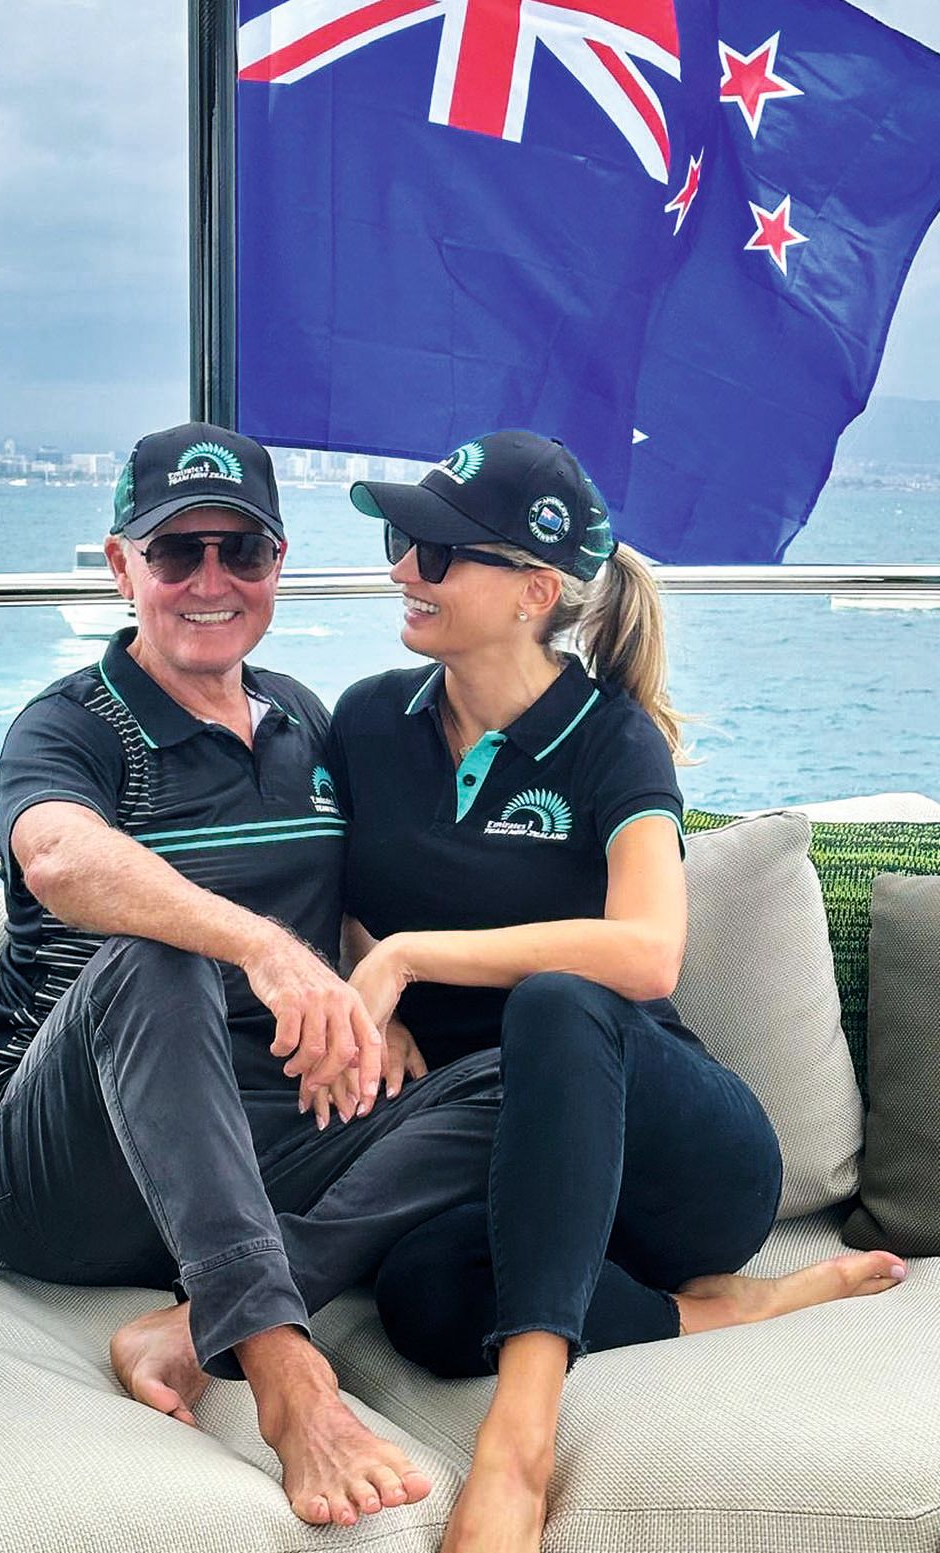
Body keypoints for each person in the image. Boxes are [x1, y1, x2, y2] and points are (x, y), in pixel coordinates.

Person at [319, 429, 908, 1553]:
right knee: (422, 1303)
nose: (401, 567)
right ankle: (727, 1308)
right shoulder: (366, 721)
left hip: (679, 1155)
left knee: (555, 995)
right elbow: (338, 891)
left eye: (436, 553)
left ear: (534, 590)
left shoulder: (610, 742)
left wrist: (409, 956)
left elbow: (644, 952)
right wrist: (372, 980)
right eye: (402, 539)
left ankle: (518, 1448)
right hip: (519, 1171)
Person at [0, 420, 523, 1532]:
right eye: (176, 552)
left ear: (277, 565)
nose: (210, 580)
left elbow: (355, 887)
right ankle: (285, 1373)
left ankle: (187, 1319)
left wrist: (371, 987)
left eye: (242, 552)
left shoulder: (306, 717)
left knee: (542, 1054)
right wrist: (259, 944)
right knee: (160, 956)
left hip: (259, 1150)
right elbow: (59, 856)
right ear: (123, 567)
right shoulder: (75, 723)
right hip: (67, 1168)